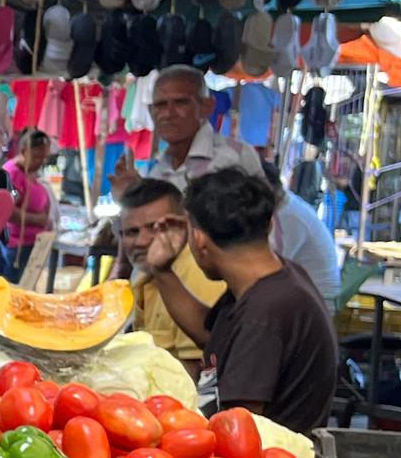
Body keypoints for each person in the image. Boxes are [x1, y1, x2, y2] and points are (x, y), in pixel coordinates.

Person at [162, 166, 339, 433]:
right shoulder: (275, 278)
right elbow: (210, 336)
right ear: (268, 224)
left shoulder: (266, 312)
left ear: (198, 240)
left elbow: (237, 432)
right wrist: (161, 270)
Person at [145, 63, 341, 302]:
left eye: (181, 102)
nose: (168, 113)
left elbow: (263, 240)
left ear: (206, 107)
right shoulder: (157, 170)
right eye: (160, 105)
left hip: (231, 296)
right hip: (178, 292)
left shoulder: (232, 157)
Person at [113, 175, 224, 371]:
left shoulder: (196, 274)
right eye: (131, 232)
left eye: (155, 228)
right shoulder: (145, 278)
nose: (141, 241)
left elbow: (197, 373)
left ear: (182, 226)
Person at [6, 129, 57, 242]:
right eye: (37, 157)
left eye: (45, 158)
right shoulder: (13, 175)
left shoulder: (30, 171)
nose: (41, 162)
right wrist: (38, 220)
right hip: (17, 244)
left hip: (34, 242)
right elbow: (8, 210)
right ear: (24, 152)